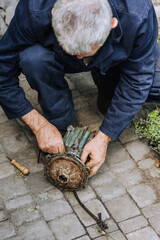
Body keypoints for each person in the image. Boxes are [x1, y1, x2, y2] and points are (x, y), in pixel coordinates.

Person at [0, 0, 159, 177]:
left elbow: (137, 80)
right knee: (33, 58)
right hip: (55, 59)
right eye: (71, 49)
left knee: (152, 83)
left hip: (115, 59)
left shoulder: (138, 12)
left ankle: (106, 85)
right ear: (53, 13)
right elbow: (2, 72)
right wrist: (39, 126)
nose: (79, 56)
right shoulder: (35, 8)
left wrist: (104, 137)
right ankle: (60, 120)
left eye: (85, 52)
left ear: (113, 23)